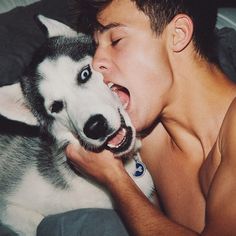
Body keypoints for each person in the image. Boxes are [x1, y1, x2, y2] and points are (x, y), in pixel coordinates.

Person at [39, 0, 236, 235]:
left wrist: (115, 179)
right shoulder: (146, 136)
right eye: (96, 45)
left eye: (116, 41)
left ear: (178, 35)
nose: (95, 62)